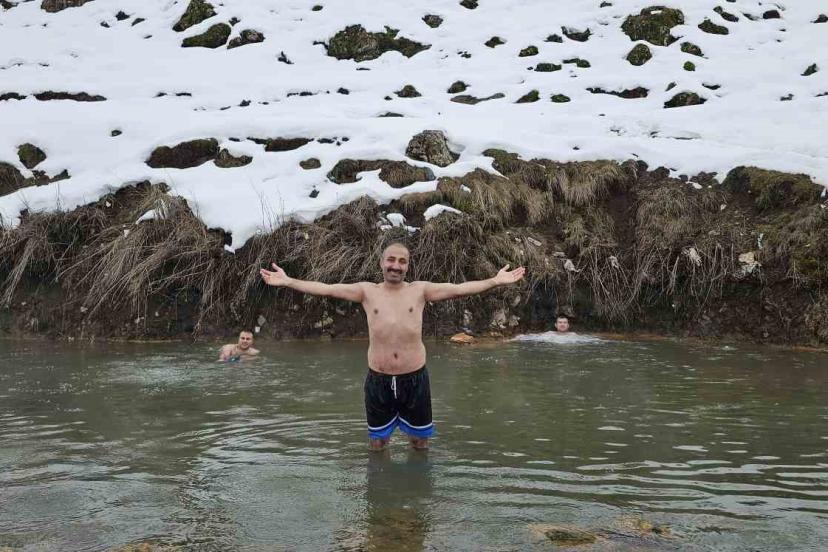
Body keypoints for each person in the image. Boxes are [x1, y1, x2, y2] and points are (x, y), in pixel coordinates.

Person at [260, 242, 525, 451]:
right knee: (377, 444)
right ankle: (381, 492)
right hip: (379, 381)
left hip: (415, 380)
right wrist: (289, 281)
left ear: (408, 266)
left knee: (419, 443)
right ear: (381, 262)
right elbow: (327, 289)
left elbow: (458, 289)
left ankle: (417, 491)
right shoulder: (366, 291)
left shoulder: (420, 290)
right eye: (391, 260)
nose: (395, 266)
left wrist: (494, 281)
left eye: (402, 261)